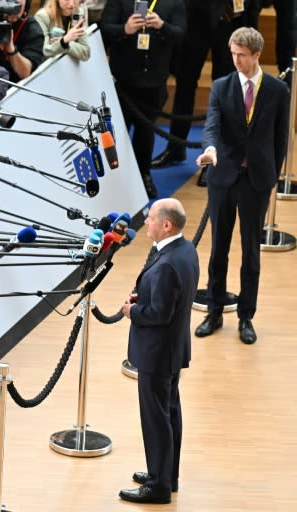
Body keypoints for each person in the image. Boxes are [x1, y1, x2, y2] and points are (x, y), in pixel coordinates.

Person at [194, 27, 289, 345]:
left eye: (242, 55)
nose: (235, 60)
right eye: (233, 53)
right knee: (218, 248)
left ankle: (246, 316)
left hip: (257, 180)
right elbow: (211, 125)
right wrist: (209, 149)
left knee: (251, 251)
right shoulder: (221, 86)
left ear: (257, 55)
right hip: (222, 177)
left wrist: (271, 175)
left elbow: (280, 138)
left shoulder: (278, 90)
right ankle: (215, 311)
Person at [119, 198, 199, 505]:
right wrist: (146, 295)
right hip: (172, 349)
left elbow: (159, 314)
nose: (147, 223)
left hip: (157, 352)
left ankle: (158, 485)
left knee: (156, 418)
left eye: (151, 219)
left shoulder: (167, 263)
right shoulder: (184, 250)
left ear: (166, 225)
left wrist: (133, 311)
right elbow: (172, 296)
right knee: (169, 412)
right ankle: (167, 474)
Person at [151, 0, 261, 169]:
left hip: (232, 21)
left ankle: (215, 157)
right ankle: (175, 148)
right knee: (184, 84)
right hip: (195, 18)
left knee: (224, 90)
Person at [100, 0, 186, 199]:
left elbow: (181, 35)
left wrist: (162, 26)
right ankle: (114, 180)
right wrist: (125, 29)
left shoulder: (174, 3)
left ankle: (143, 176)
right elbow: (104, 29)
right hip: (122, 80)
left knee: (146, 132)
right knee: (116, 133)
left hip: (154, 81)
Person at [0, 0, 46, 83]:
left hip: (14, 87)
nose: (12, 8)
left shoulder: (33, 30)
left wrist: (11, 48)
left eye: (18, 5)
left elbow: (25, 73)